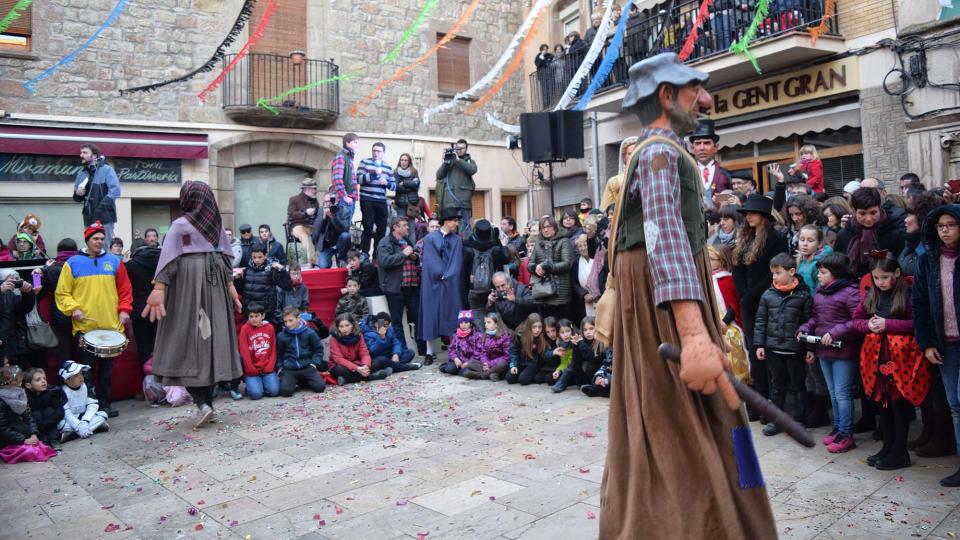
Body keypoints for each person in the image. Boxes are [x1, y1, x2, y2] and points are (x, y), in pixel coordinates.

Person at [600, 53, 776, 538]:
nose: (706, 99)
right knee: (687, 420)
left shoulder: (654, 149)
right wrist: (695, 335)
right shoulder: (660, 152)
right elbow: (665, 238)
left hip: (656, 298)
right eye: (695, 88)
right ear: (666, 95)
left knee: (671, 416)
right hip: (668, 305)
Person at [141, 181, 244, 429]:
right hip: (215, 287)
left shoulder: (180, 225)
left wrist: (159, 287)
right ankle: (206, 403)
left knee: (185, 341)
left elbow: (169, 261)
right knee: (210, 340)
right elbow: (226, 258)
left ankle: (203, 404)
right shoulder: (216, 225)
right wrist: (230, 288)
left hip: (188, 291)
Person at [854, 255, 929, 470]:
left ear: (896, 273)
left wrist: (889, 324)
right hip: (877, 358)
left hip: (902, 360)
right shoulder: (871, 295)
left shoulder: (907, 294)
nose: (880, 282)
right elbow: (856, 321)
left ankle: (899, 452)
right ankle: (887, 447)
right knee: (883, 403)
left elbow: (917, 324)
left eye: (885, 277)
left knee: (898, 404)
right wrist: (869, 325)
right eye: (876, 278)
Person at [54, 221, 132, 417]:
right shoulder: (72, 263)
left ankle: (105, 405)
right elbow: (62, 293)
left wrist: (124, 310)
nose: (99, 242)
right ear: (87, 240)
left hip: (110, 327)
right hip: (85, 327)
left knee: (107, 370)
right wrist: (74, 309)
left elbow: (125, 290)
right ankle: (90, 406)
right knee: (86, 370)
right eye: (95, 239)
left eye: (101, 239)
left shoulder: (115, 261)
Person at [913, 204, 960, 486]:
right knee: (954, 404)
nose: (944, 230)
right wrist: (928, 342)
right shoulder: (929, 259)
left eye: (950, 225)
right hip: (946, 343)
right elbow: (920, 303)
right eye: (940, 226)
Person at [797, 252, 862, 453]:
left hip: (844, 350)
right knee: (833, 392)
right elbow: (816, 318)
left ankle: (846, 434)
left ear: (835, 273)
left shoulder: (851, 292)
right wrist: (806, 328)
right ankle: (839, 428)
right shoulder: (819, 292)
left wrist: (835, 333)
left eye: (823, 272)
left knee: (842, 392)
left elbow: (856, 321)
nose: (818, 276)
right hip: (824, 350)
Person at [732, 194, 788, 413]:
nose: (748, 217)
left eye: (753, 213)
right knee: (754, 349)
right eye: (746, 213)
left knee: (768, 352)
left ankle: (775, 402)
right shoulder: (744, 237)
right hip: (747, 301)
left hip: (768, 299)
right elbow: (736, 266)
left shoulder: (776, 238)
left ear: (764, 216)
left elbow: (773, 271)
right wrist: (744, 294)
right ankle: (759, 400)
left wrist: (751, 294)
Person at [754, 253, 813, 436]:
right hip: (773, 349)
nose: (774, 277)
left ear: (791, 272)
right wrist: (759, 345)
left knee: (798, 386)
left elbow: (809, 322)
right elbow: (760, 321)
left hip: (795, 350)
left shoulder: (803, 295)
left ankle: (799, 421)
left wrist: (810, 348)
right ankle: (776, 421)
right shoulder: (768, 294)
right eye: (773, 273)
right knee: (777, 386)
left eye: (778, 273)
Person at [418, 208, 464, 358]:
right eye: (455, 221)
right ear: (447, 221)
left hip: (450, 282)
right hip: (432, 282)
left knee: (451, 314)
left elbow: (457, 261)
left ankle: (453, 353)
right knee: (431, 314)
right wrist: (440, 273)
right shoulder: (430, 239)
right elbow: (430, 260)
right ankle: (429, 353)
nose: (456, 224)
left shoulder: (457, 240)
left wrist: (448, 274)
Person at [835, 187, 907, 279]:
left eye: (873, 213)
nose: (868, 219)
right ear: (854, 211)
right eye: (862, 214)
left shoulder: (895, 233)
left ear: (880, 208)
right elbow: (838, 266)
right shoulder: (844, 234)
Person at [707, 245, 750, 384]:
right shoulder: (708, 279)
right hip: (713, 322)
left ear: (722, 261)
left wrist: (724, 322)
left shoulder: (727, 280)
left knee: (731, 340)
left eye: (711, 259)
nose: (707, 262)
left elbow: (733, 306)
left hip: (728, 324)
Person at [376, 216, 421, 347]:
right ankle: (402, 351)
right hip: (395, 288)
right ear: (395, 227)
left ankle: (424, 351)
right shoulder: (385, 243)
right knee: (396, 322)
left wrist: (415, 257)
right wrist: (403, 254)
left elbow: (412, 258)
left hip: (412, 287)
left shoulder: (406, 241)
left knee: (418, 319)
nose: (408, 227)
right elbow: (384, 261)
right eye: (404, 225)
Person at [0, 365, 56, 463]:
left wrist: (33, 433)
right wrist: (23, 440)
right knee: (31, 452)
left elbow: (29, 417)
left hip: (26, 436)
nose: (20, 384)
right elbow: (2, 428)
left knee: (43, 447)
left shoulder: (21, 395)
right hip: (11, 441)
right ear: (8, 383)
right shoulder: (2, 402)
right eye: (17, 381)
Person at [527, 216, 574, 320]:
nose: (546, 229)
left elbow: (567, 264)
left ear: (555, 227)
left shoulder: (564, 241)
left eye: (548, 226)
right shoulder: (539, 243)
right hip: (542, 293)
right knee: (546, 327)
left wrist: (546, 267)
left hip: (559, 294)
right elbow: (530, 264)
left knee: (561, 327)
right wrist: (536, 268)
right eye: (543, 227)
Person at [72, 143, 120, 242]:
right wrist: (78, 194)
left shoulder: (107, 170)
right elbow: (76, 198)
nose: (81, 155)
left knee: (104, 248)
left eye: (85, 153)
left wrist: (100, 208)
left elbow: (115, 191)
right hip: (88, 217)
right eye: (81, 153)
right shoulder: (81, 174)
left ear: (94, 156)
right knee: (90, 247)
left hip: (105, 216)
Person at [124, 238, 162, 364]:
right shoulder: (161, 261)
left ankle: (146, 375)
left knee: (143, 345)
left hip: (139, 310)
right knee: (159, 343)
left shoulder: (131, 265)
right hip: (161, 307)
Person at [276, 306, 326, 397]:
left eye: (290, 320)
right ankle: (294, 380)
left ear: (298, 318)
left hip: (307, 366)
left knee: (320, 387)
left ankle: (300, 381)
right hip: (289, 368)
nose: (287, 324)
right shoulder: (281, 336)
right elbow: (279, 354)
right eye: (285, 321)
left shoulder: (310, 332)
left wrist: (314, 363)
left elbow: (318, 350)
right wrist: (280, 368)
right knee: (286, 392)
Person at [328, 313, 392, 385]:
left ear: (352, 325)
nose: (344, 329)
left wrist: (365, 366)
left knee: (379, 360)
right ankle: (372, 377)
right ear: (337, 327)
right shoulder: (334, 339)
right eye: (341, 326)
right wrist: (357, 369)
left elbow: (364, 353)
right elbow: (338, 359)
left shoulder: (358, 335)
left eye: (347, 325)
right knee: (339, 369)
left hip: (357, 363)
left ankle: (347, 379)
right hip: (342, 366)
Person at [237, 244, 292, 324]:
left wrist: (282, 270)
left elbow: (287, 286)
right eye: (254, 257)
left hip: (266, 314)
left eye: (260, 257)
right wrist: (238, 280)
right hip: (249, 313)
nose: (257, 260)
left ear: (265, 256)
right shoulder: (247, 270)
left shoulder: (272, 270)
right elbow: (241, 291)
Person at [357, 142, 395, 256]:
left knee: (382, 228)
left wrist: (386, 183)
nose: (375, 153)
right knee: (368, 227)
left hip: (381, 200)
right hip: (367, 199)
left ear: (383, 153)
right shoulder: (364, 163)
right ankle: (364, 253)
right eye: (374, 150)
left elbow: (394, 186)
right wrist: (373, 175)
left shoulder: (388, 167)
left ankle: (377, 255)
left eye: (378, 151)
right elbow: (358, 179)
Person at [57, 360, 109, 442]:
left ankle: (73, 434)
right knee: (60, 424)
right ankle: (93, 428)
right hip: (70, 421)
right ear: (66, 380)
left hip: (84, 417)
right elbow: (66, 412)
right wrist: (78, 425)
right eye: (76, 375)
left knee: (103, 415)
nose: (81, 377)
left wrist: (85, 421)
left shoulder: (87, 387)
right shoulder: (61, 391)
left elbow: (93, 405)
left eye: (81, 374)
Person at [463, 219, 509, 311]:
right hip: (494, 288)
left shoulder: (467, 247)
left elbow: (463, 269)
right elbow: (506, 259)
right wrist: (503, 245)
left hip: (472, 289)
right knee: (493, 318)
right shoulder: (496, 247)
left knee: (475, 318)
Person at [435, 139, 478, 237]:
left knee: (464, 229)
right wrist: (445, 162)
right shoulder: (450, 162)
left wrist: (458, 160)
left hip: (464, 202)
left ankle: (464, 249)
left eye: (462, 148)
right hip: (450, 201)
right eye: (458, 148)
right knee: (450, 227)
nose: (460, 150)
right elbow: (439, 175)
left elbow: (472, 170)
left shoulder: (469, 161)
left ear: (466, 149)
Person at [238, 303, 279, 400]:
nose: (254, 319)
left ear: (263, 316)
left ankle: (262, 384)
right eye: (251, 316)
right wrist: (250, 369)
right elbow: (244, 352)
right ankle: (253, 386)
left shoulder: (270, 328)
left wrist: (270, 366)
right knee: (256, 395)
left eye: (257, 316)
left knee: (274, 391)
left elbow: (273, 349)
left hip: (267, 369)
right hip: (252, 370)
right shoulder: (245, 329)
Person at [0, 269, 39, 370]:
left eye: (17, 280)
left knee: (21, 375)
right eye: (10, 280)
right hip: (3, 343)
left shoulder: (16, 296)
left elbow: (26, 308)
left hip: (19, 343)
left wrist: (28, 293)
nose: (14, 282)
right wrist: (1, 291)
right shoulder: (3, 291)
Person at [689, 119, 731, 208]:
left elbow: (731, 200)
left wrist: (721, 199)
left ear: (716, 147)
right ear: (692, 148)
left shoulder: (725, 174)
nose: (702, 148)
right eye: (697, 143)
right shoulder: (687, 174)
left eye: (707, 143)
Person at [458, 312, 511, 381]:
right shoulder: (485, 335)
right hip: (487, 364)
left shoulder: (505, 337)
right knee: (470, 363)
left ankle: (481, 375)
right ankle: (492, 374)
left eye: (489, 322)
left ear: (496, 324)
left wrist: (490, 364)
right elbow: (483, 353)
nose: (486, 325)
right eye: (485, 322)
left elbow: (506, 357)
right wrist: (485, 362)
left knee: (502, 364)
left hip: (498, 364)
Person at [24, 367, 64, 448]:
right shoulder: (25, 396)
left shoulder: (51, 391)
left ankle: (54, 439)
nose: (43, 381)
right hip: (36, 425)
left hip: (49, 421)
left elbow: (60, 411)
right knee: (36, 413)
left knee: (49, 410)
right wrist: (40, 425)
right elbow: (27, 416)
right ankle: (43, 440)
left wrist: (47, 423)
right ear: (28, 385)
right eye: (38, 380)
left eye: (44, 378)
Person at [286, 177, 321, 268]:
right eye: (314, 189)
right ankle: (312, 262)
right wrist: (305, 212)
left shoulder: (314, 201)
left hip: (312, 226)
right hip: (297, 225)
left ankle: (324, 260)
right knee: (305, 236)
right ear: (307, 189)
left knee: (324, 232)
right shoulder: (294, 199)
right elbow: (291, 214)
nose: (316, 191)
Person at [507, 313, 546, 385]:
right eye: (534, 327)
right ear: (529, 326)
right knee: (509, 378)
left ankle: (535, 375)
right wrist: (514, 365)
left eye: (539, 327)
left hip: (534, 364)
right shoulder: (520, 334)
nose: (537, 330)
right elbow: (513, 350)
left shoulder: (543, 336)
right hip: (521, 362)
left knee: (523, 380)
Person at [600, 138, 639, 211]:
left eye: (636, 152)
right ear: (624, 157)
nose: (634, 156)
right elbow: (606, 210)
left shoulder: (650, 177)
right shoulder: (614, 182)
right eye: (630, 153)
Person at [440, 310, 481, 375]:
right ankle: (457, 370)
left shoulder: (477, 335)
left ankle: (463, 371)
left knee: (467, 370)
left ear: (471, 323)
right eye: (461, 322)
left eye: (466, 322)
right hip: (459, 360)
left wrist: (468, 362)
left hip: (472, 361)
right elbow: (451, 349)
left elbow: (479, 351)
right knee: (451, 368)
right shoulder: (456, 335)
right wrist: (456, 359)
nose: (463, 325)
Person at [394, 153, 423, 243]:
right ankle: (401, 248)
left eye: (405, 160)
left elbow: (416, 185)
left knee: (411, 228)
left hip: (412, 205)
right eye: (402, 160)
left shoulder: (414, 172)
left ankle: (413, 250)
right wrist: (410, 185)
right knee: (401, 228)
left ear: (409, 161)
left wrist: (404, 183)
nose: (403, 162)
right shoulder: (395, 172)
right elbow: (397, 187)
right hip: (400, 204)